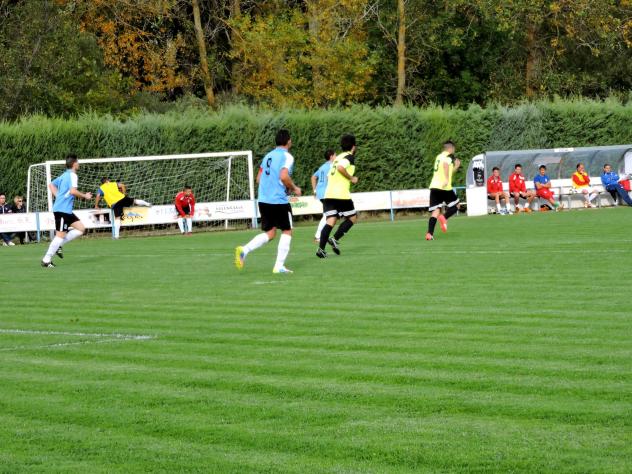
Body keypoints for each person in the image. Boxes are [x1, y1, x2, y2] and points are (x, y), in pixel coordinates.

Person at [234, 129, 301, 273]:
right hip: (278, 201)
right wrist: (294, 188)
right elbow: (284, 176)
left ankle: (244, 250)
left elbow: (259, 179)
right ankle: (279, 266)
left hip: (264, 200)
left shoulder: (268, 156)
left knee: (270, 233)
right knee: (287, 231)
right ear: (288, 141)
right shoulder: (287, 156)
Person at [41, 155, 93, 267]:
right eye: (77, 162)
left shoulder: (64, 175)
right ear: (74, 164)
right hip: (62, 210)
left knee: (81, 228)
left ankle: (59, 245)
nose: (78, 164)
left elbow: (51, 185)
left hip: (66, 210)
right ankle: (46, 260)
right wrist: (85, 196)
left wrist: (59, 196)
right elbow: (73, 191)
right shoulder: (73, 175)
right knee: (59, 235)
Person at [316, 134, 359, 258]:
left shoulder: (338, 157)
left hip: (329, 194)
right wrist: (351, 178)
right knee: (352, 218)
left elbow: (329, 175)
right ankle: (334, 238)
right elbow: (340, 168)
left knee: (330, 221)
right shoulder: (349, 157)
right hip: (341, 195)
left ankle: (321, 250)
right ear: (353, 146)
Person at [426, 141, 460, 240]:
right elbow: (445, 165)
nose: (454, 151)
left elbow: (448, 171)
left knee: (436, 211)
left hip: (434, 186)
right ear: (450, 148)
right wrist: (446, 179)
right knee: (457, 205)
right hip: (444, 187)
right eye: (453, 149)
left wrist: (455, 167)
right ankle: (444, 217)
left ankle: (429, 234)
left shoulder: (438, 157)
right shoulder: (449, 156)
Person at [311, 149, 335, 242]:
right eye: (335, 155)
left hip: (320, 193)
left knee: (328, 214)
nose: (336, 157)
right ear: (331, 156)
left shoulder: (322, 167)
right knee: (327, 214)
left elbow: (313, 177)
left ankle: (319, 235)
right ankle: (318, 236)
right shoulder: (331, 166)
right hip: (326, 193)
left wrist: (315, 190)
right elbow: (330, 178)